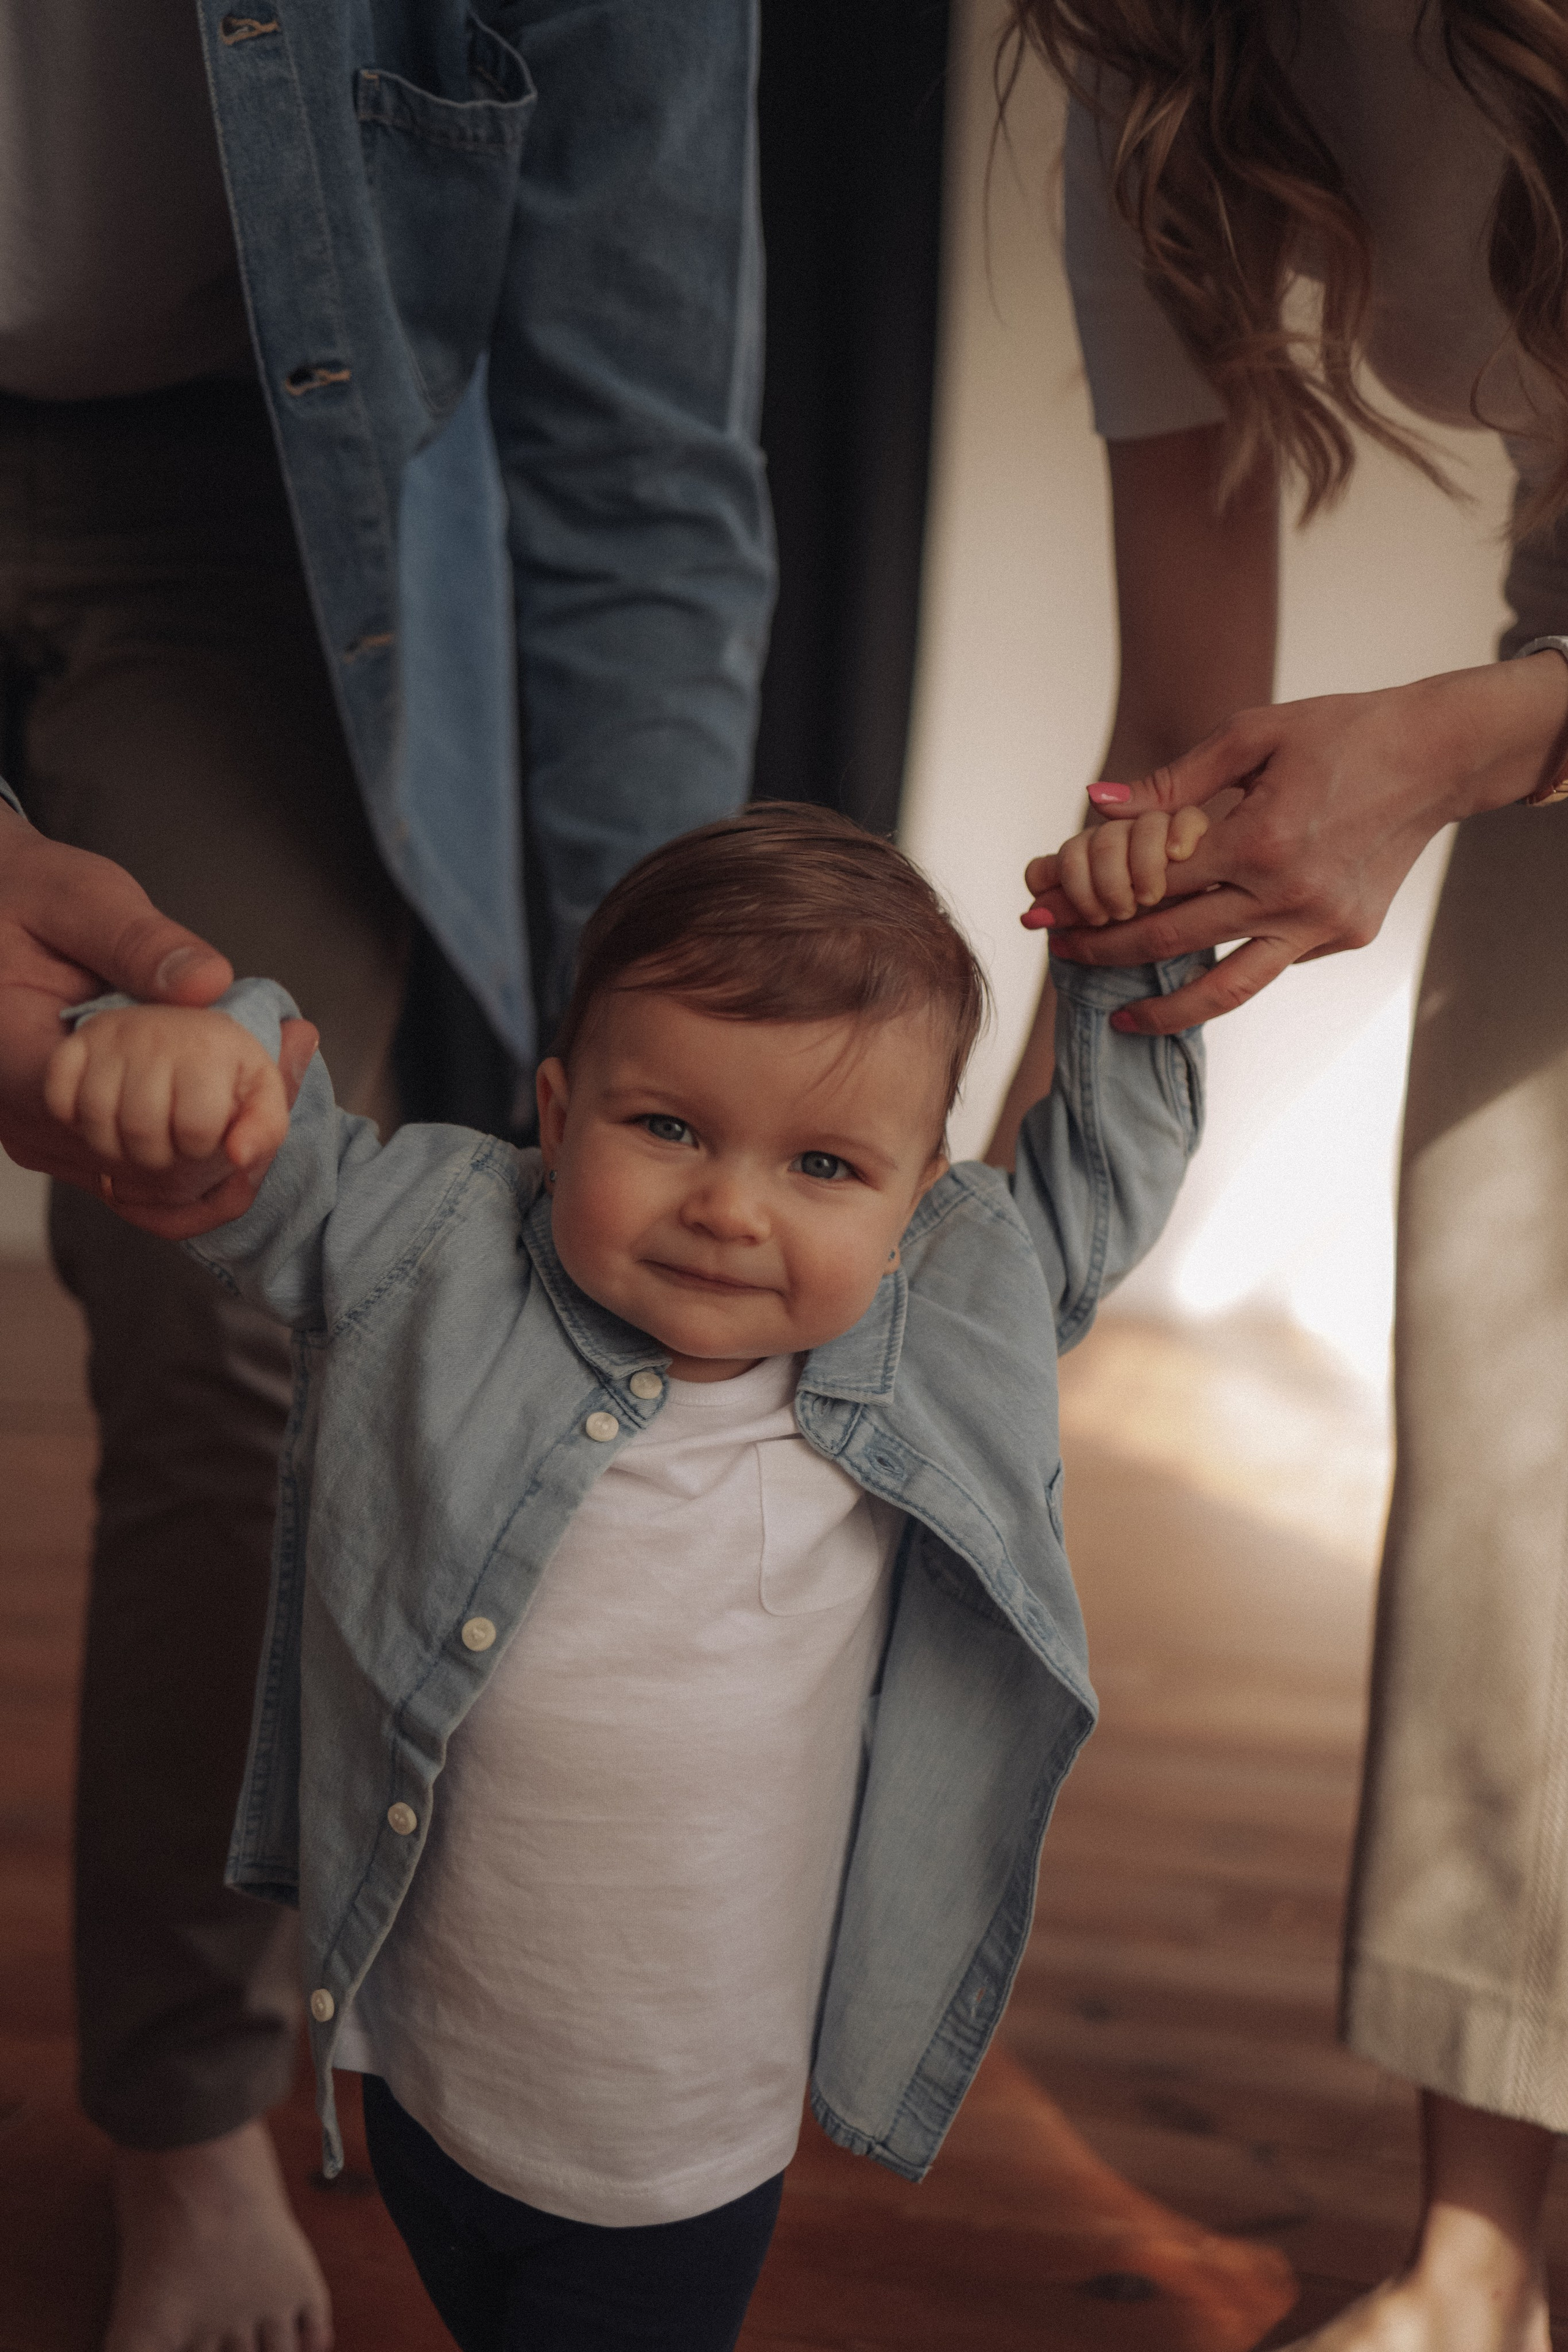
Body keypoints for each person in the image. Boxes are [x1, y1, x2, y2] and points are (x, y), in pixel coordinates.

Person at [42, 798, 1207, 2352]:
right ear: (560, 1109)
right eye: (666, 1128)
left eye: (820, 1163)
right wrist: (200, 1055)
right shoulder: (441, 1242)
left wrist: (1132, 957)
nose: (729, 1206)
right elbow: (274, 1149)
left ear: (918, 1201)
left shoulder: (937, 1319)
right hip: (418, 2068)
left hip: (676, 2149)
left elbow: (1097, 1176)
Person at [0, 7, 772, 2348]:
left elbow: (635, 449)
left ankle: (190, 2102)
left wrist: (667, 1057)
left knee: (233, 1295)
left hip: (227, 499)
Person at [989, 4, 1568, 2346]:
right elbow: (1167, 741)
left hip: (1524, 716)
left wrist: (1442, 748)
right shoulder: (1164, 80)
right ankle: (1485, 2252)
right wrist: (979, 1282)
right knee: (1512, 1418)